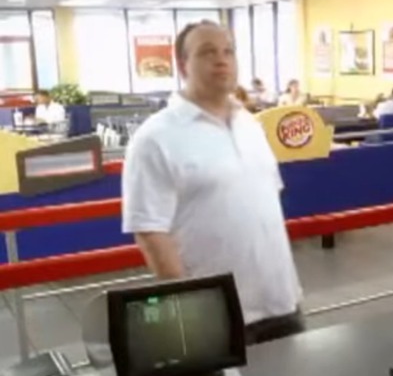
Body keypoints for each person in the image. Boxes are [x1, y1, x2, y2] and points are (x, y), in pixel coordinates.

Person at [122, 20, 304, 345]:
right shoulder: (155, 137)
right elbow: (150, 231)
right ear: (183, 65)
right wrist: (190, 310)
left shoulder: (250, 124)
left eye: (228, 51)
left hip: (283, 303)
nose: (221, 60)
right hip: (217, 316)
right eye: (207, 52)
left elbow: (266, 204)